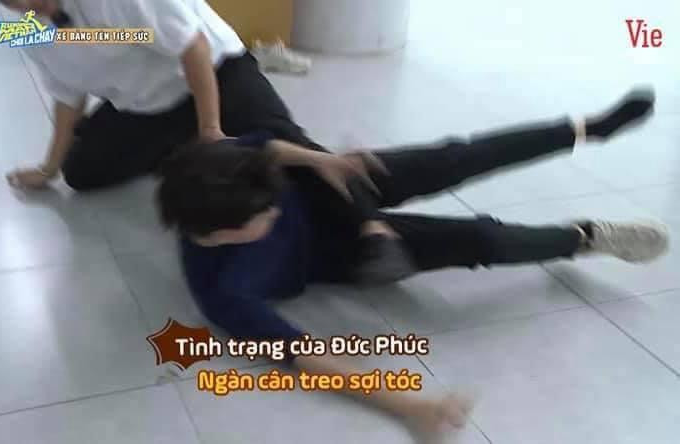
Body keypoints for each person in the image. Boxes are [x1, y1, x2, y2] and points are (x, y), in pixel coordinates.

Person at [155, 88, 668, 437]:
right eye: (265, 214)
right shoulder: (223, 291)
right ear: (221, 233)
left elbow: (265, 149)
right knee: (479, 239)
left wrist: (321, 160)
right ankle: (585, 238)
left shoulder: (219, 167)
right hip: (345, 253)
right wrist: (412, 408)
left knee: (455, 157)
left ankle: (585, 129)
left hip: (330, 184)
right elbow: (310, 358)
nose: (274, 210)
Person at [0, 0, 408, 281]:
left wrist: (211, 129)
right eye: (15, 2)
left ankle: (373, 225)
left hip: (217, 72)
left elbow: (193, 47)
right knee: (81, 171)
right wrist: (49, 168)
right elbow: (67, 96)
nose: (32, 5)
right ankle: (182, 145)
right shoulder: (28, 30)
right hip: (146, 105)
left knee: (284, 144)